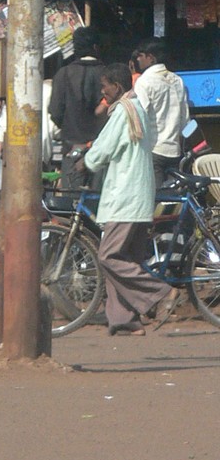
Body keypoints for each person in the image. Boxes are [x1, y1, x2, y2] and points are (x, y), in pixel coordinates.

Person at [82, 62, 178, 336]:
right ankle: (125, 321)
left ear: (118, 86)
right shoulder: (137, 109)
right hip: (139, 195)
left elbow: (102, 151)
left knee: (109, 256)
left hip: (125, 195)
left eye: (105, 86)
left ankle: (160, 293)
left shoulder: (123, 113)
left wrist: (85, 162)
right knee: (125, 259)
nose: (103, 92)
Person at [49, 25, 102, 189]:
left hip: (71, 147)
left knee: (70, 202)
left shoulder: (63, 74)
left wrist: (69, 127)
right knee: (97, 201)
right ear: (96, 47)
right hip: (101, 149)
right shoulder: (107, 73)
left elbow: (55, 112)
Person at [131, 39, 190, 179]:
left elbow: (139, 117)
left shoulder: (144, 81)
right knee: (173, 198)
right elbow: (185, 121)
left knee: (155, 197)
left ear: (151, 58)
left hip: (153, 151)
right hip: (175, 152)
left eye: (141, 55)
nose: (137, 59)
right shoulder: (177, 80)